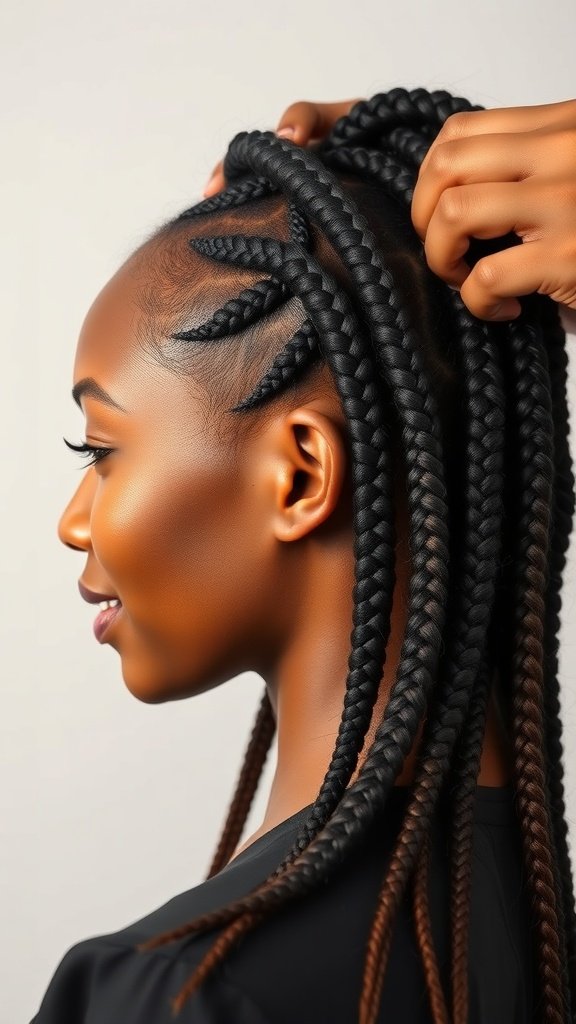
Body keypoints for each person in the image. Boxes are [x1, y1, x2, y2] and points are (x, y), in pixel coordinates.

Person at [30, 86, 576, 1024]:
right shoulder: (537, 944)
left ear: (300, 477)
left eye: (102, 452)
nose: (73, 523)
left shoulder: (173, 995)